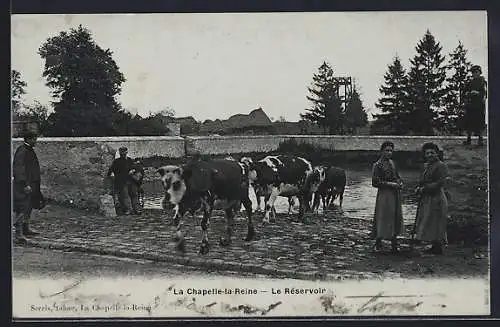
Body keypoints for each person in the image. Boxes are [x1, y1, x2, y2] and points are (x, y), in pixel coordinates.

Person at [413, 142, 450, 255]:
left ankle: (438, 246)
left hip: (437, 196)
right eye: (427, 153)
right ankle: (434, 245)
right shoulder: (426, 166)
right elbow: (422, 180)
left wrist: (424, 188)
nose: (429, 155)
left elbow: (440, 182)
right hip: (427, 197)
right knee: (429, 219)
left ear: (437, 153)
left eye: (432, 153)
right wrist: (419, 187)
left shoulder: (441, 165)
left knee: (436, 220)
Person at [12, 131, 46, 244]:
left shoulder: (29, 150)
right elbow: (18, 168)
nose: (36, 141)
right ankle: (18, 234)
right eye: (34, 139)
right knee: (21, 208)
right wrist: (25, 184)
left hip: (32, 184)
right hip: (24, 185)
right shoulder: (22, 151)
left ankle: (26, 229)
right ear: (28, 139)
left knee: (28, 207)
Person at [371, 141, 404, 253]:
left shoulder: (393, 163)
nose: (389, 153)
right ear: (382, 151)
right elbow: (375, 182)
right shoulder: (377, 165)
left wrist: (400, 182)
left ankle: (394, 243)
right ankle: (378, 242)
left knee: (395, 216)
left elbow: (397, 176)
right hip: (384, 194)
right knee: (383, 216)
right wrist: (390, 184)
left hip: (395, 194)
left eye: (391, 151)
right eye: (387, 150)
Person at [106, 147, 141, 215]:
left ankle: (137, 209)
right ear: (120, 153)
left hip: (131, 180)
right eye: (122, 152)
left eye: (124, 152)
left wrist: (133, 170)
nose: (123, 153)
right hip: (122, 181)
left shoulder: (130, 160)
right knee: (125, 196)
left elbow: (135, 168)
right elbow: (111, 170)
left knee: (134, 195)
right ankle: (128, 209)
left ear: (126, 152)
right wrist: (111, 175)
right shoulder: (117, 161)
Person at [463, 65, 487, 146]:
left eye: (476, 72)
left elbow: (484, 94)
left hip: (479, 105)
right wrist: (469, 94)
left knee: (479, 122)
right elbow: (465, 92)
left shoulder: (483, 81)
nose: (474, 74)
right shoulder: (470, 82)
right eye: (473, 72)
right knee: (469, 122)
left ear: (479, 72)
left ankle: (480, 140)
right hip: (470, 105)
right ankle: (468, 139)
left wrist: (477, 93)